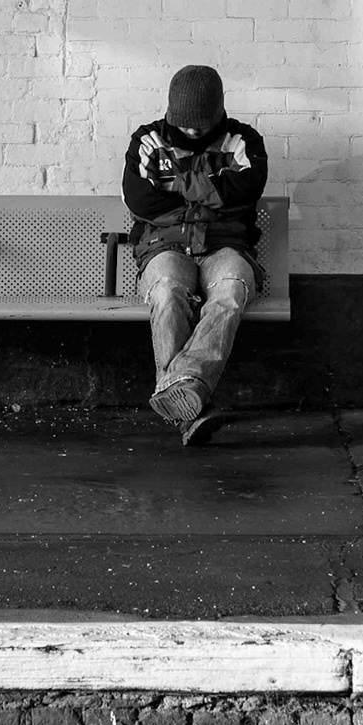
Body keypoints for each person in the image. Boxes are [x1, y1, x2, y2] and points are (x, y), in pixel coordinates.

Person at [121, 64, 268, 446]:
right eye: (184, 124)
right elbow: (142, 201)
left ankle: (180, 392)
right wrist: (211, 191)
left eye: (200, 125)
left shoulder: (243, 141)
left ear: (218, 112)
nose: (192, 132)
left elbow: (245, 191)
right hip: (164, 246)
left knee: (231, 293)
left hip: (227, 246)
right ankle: (192, 409)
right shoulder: (147, 141)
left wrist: (177, 187)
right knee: (167, 291)